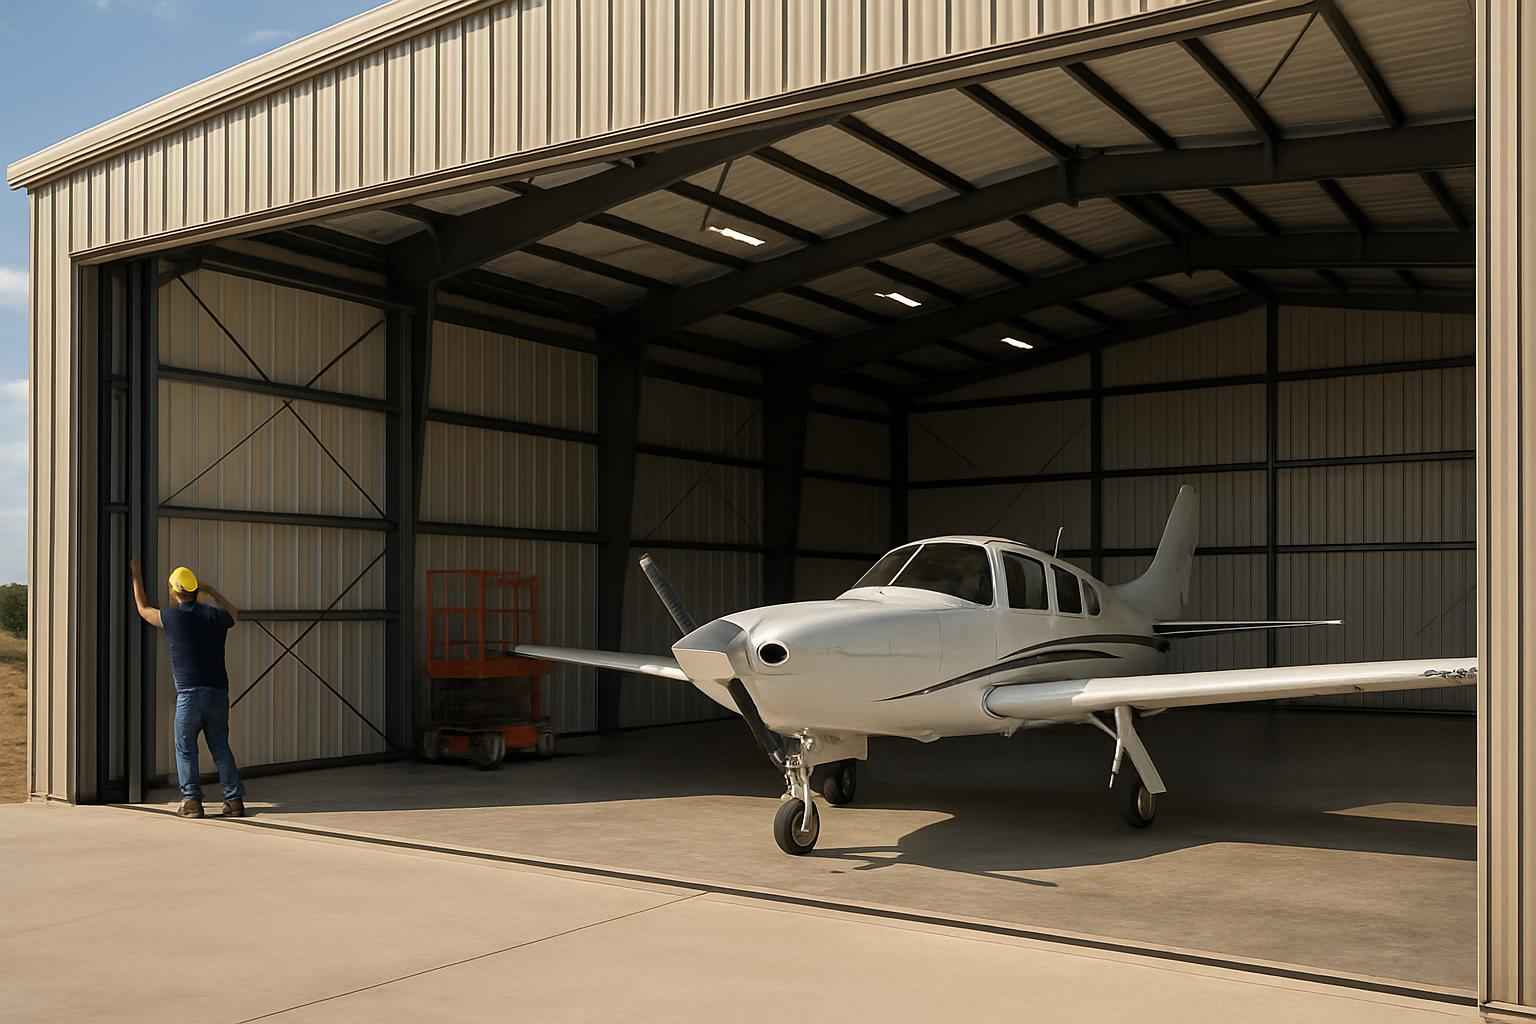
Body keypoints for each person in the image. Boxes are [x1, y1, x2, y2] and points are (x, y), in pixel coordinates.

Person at [130, 560, 246, 819]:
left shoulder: (172, 618)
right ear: (196, 591)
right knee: (220, 746)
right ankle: (234, 800)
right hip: (218, 693)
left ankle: (192, 801)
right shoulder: (215, 616)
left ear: (174, 592)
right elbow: (235, 614)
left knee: (185, 747)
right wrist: (212, 591)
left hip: (189, 695)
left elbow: (143, 609)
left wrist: (136, 576)